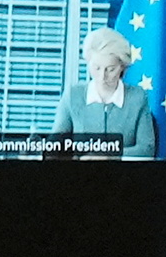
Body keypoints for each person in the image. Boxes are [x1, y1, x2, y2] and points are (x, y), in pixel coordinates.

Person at [50, 26, 159, 159]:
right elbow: (55, 147)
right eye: (96, 68)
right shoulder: (73, 95)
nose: (102, 76)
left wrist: (109, 157)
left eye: (110, 69)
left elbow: (146, 149)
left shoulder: (138, 98)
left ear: (122, 67)